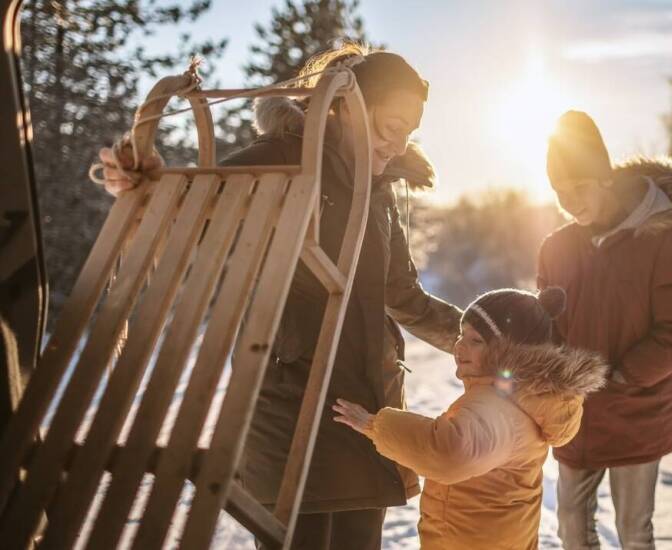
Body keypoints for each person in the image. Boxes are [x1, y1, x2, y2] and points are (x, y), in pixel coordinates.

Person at [96, 43, 463, 550]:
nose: (399, 146)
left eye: (409, 133)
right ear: (345, 110)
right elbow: (200, 203)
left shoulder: (377, 191)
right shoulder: (284, 158)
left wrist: (490, 343)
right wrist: (146, 186)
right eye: (390, 127)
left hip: (368, 411)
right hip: (292, 409)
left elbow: (402, 295)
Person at [539, 111, 672, 550]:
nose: (571, 202)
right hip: (575, 415)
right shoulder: (555, 249)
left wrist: (623, 375)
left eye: (579, 188)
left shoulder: (661, 242)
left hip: (638, 411)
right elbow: (547, 326)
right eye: (560, 192)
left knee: (634, 531)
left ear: (606, 179)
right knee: (572, 527)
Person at [333, 287, 608, 550]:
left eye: (475, 340)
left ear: (508, 352)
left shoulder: (497, 407)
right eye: (461, 335)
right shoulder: (525, 397)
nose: (459, 346)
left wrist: (375, 424)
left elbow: (450, 451)